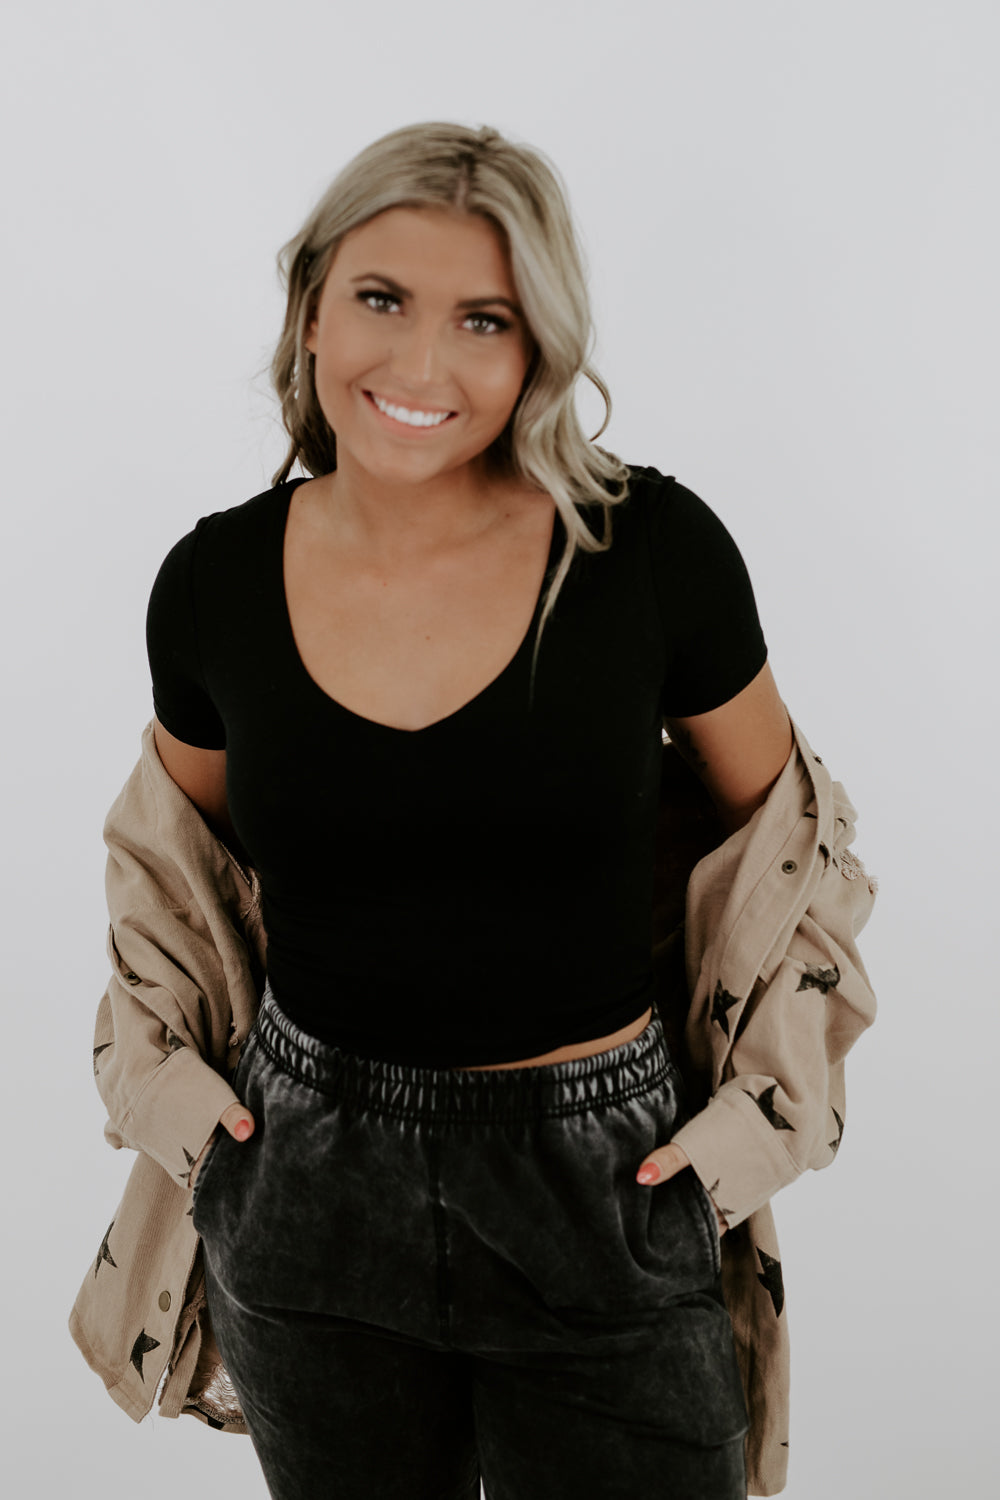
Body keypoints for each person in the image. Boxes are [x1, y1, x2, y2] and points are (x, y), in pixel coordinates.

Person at [103, 122, 874, 1499]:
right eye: (381, 299)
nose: (422, 366)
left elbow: (797, 858)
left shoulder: (650, 553)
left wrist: (741, 1139)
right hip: (304, 1180)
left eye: (484, 319)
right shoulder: (214, 583)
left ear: (539, 350)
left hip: (605, 1185)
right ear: (312, 307)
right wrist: (183, 1111)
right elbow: (171, 875)